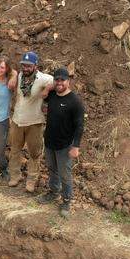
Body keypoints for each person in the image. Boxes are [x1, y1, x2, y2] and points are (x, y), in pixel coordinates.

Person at [7, 51, 54, 193]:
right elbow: (11, 71)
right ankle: (15, 176)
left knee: (34, 153)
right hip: (17, 120)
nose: (26, 68)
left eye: (29, 66)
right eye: (24, 65)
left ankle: (31, 180)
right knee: (15, 150)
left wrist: (46, 89)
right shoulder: (20, 75)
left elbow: (57, 80)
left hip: (34, 123)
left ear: (35, 66)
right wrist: (15, 75)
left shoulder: (42, 78)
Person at [40, 68, 85, 216]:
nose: (59, 83)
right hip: (49, 142)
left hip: (64, 146)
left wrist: (76, 146)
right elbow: (43, 96)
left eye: (62, 80)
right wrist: (48, 88)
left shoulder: (75, 102)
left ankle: (66, 201)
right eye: (57, 80)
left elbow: (79, 125)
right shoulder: (52, 95)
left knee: (65, 174)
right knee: (52, 169)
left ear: (68, 81)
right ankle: (54, 192)